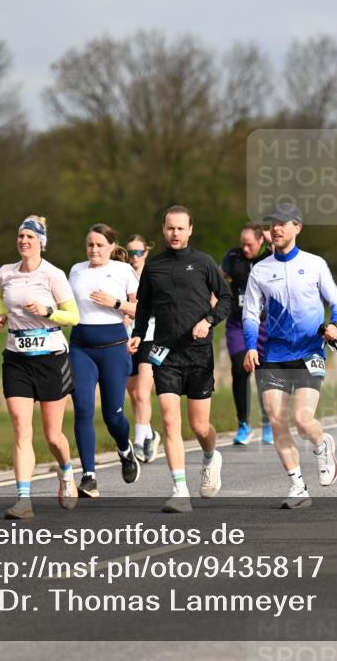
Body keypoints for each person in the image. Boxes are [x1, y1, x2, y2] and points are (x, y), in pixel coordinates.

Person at [128, 206, 232, 513]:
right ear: (163, 230)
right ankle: (179, 489)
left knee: (199, 426)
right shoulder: (155, 266)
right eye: (170, 228)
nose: (175, 233)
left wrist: (209, 320)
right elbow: (144, 305)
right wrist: (137, 332)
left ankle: (212, 455)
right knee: (170, 422)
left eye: (180, 228)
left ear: (190, 230)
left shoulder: (203, 263)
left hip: (198, 352)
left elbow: (225, 298)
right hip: (165, 352)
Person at [243, 203, 337, 508]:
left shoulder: (315, 264)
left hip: (309, 350)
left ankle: (322, 443)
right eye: (272, 224)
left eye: (282, 223)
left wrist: (335, 327)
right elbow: (250, 314)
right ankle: (298, 486)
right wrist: (250, 345)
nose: (276, 229)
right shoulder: (259, 270)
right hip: (274, 352)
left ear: (297, 227)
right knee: (276, 420)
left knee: (302, 418)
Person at [0, 216, 80, 519]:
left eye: (30, 236)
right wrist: (1, 317)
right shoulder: (5, 272)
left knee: (53, 435)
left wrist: (48, 311)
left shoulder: (53, 275)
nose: (24, 241)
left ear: (40, 241)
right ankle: (24, 499)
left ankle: (67, 472)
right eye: (20, 236)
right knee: (20, 427)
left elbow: (74, 317)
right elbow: (0, 298)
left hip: (51, 358)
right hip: (16, 358)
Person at [68, 224, 142, 497]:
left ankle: (125, 449)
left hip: (113, 348)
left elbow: (141, 309)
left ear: (111, 246)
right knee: (84, 409)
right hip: (80, 348)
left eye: (100, 245)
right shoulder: (76, 271)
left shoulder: (124, 271)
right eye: (90, 244)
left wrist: (115, 303)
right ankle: (89, 476)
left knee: (113, 416)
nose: (94, 249)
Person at [221, 222, 273, 446]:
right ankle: (243, 424)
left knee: (264, 373)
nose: (245, 248)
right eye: (242, 243)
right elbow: (220, 277)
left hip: (264, 323)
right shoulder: (233, 257)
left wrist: (271, 240)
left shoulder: (271, 257)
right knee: (239, 368)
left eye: (249, 244)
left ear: (261, 240)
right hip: (238, 323)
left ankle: (268, 422)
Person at [124, 234, 162, 463]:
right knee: (133, 394)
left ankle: (137, 444)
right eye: (130, 253)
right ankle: (150, 434)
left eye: (138, 252)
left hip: (151, 336)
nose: (134, 257)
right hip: (127, 338)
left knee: (142, 392)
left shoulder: (155, 273)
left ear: (146, 253)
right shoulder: (120, 274)